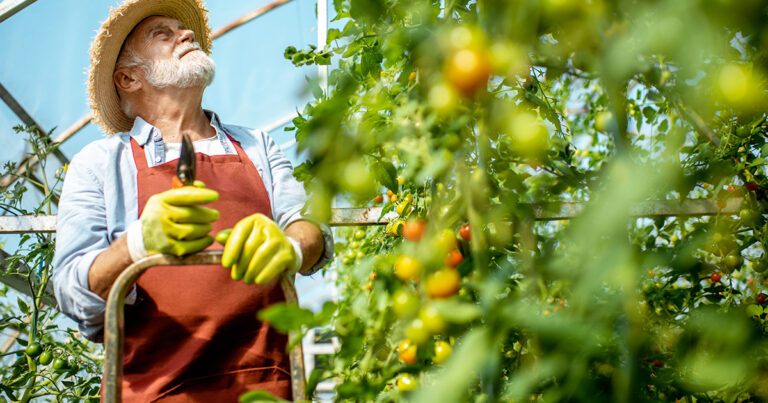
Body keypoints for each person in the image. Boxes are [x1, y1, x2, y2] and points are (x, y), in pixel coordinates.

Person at [52, 0, 333, 400]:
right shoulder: (100, 164)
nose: (186, 35)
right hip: (156, 390)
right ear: (129, 78)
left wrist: (290, 246)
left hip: (264, 386)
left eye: (183, 30)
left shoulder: (255, 145)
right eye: (162, 34)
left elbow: (308, 227)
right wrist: (137, 245)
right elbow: (70, 292)